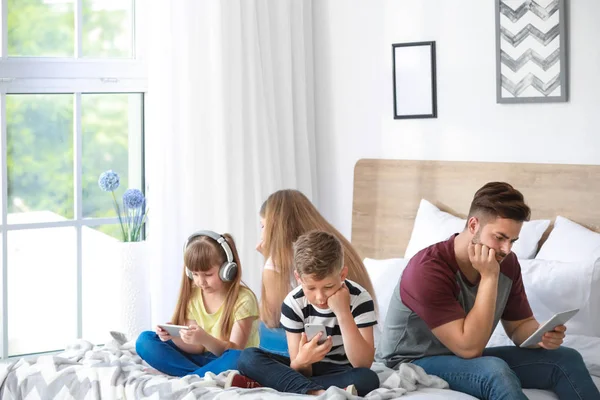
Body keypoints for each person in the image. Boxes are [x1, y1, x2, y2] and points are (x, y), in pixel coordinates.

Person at [376, 182, 600, 400]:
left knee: (566, 359)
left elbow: (519, 327)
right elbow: (469, 349)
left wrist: (541, 336)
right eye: (500, 238)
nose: (507, 249)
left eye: (513, 240)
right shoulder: (427, 270)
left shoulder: (507, 262)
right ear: (473, 225)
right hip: (410, 362)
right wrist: (490, 276)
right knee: (493, 371)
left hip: (461, 357)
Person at [228, 231, 379, 396]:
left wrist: (343, 313)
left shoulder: (360, 298)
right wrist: (304, 360)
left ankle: (266, 383)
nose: (320, 297)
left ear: (342, 274)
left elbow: (363, 363)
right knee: (247, 357)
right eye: (311, 288)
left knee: (368, 378)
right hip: (305, 368)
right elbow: (298, 367)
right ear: (298, 278)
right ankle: (318, 392)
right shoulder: (293, 303)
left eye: (328, 287)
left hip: (343, 371)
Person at [256, 189, 377, 357]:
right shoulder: (336, 246)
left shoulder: (276, 263)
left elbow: (273, 318)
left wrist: (269, 261)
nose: (262, 234)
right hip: (354, 341)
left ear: (275, 227)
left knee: (259, 329)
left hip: (321, 341)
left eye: (263, 226)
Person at [136, 230, 259, 377]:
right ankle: (198, 376)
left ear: (227, 270)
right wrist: (174, 337)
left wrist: (204, 338)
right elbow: (197, 348)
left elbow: (235, 349)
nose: (201, 281)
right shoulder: (194, 295)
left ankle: (188, 376)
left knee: (238, 358)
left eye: (208, 274)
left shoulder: (244, 299)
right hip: (201, 360)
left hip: (227, 359)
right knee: (145, 340)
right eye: (195, 274)